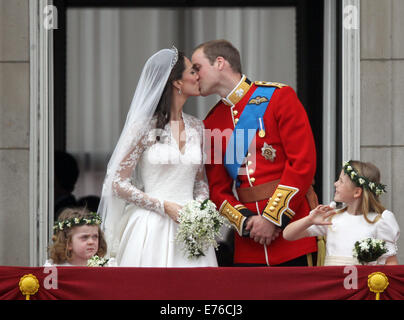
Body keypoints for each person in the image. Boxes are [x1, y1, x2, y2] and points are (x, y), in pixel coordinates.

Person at [192, 39, 318, 266]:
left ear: (220, 63)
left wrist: (272, 218)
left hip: (293, 231)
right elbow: (217, 189)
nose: (194, 75)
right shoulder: (211, 122)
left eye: (197, 67)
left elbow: (303, 163)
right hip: (250, 242)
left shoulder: (279, 97)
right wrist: (247, 222)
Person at [98, 47, 218, 267]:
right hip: (151, 226)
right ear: (177, 82)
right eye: (192, 72)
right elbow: (116, 182)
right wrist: (163, 206)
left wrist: (198, 210)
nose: (198, 76)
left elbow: (200, 182)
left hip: (191, 229)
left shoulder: (197, 127)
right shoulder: (143, 127)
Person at [283, 160, 400, 266]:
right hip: (333, 286)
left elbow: (390, 262)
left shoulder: (379, 221)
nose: (335, 183)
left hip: (363, 287)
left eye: (341, 181)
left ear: (357, 192)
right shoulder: (332, 218)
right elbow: (288, 235)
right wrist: (309, 220)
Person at [44, 207, 111, 266]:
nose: (91, 242)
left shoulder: (106, 267)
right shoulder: (54, 269)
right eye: (84, 237)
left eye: (95, 237)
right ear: (68, 242)